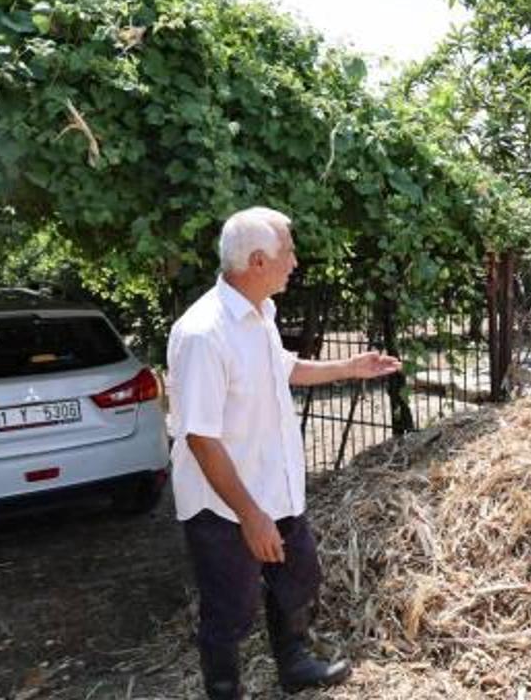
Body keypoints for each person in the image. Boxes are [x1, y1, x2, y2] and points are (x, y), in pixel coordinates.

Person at [166, 206, 401, 699]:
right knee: (230, 607)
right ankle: (225, 689)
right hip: (224, 506)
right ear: (256, 261)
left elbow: (284, 369)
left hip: (277, 488)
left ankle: (293, 665)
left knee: (299, 578)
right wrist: (250, 516)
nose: (295, 261)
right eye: (288, 251)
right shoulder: (202, 334)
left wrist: (351, 367)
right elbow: (200, 437)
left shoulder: (260, 313)